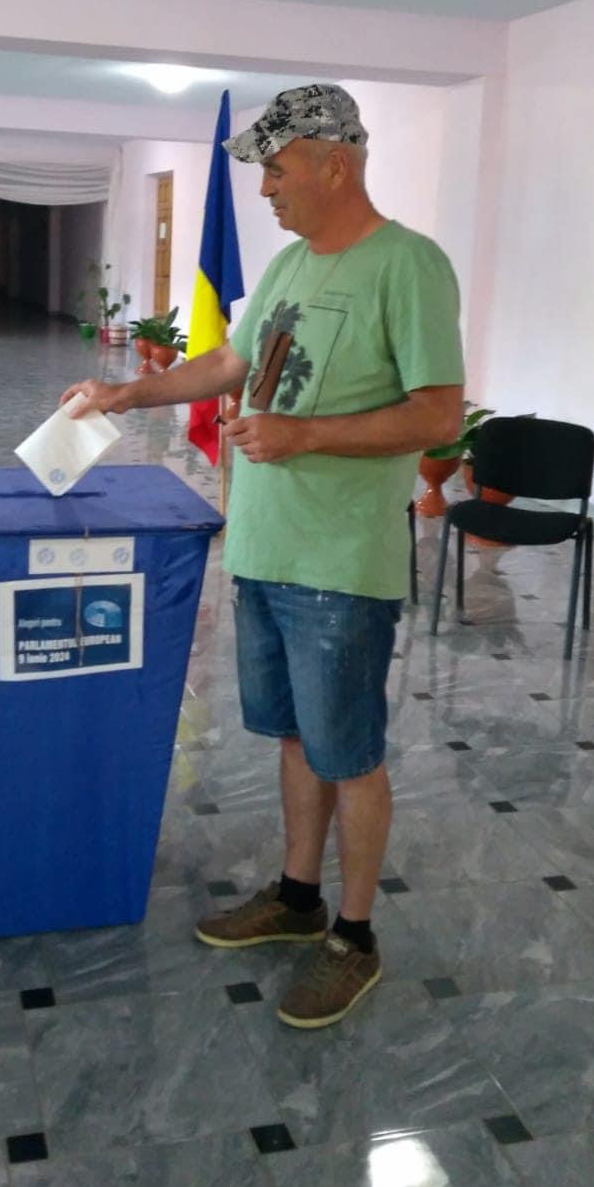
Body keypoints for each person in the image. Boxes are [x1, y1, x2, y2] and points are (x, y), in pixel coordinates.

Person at [61, 84, 464, 1030]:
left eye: (277, 170)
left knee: (348, 753)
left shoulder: (407, 265)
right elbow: (229, 365)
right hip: (266, 547)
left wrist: (305, 434)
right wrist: (127, 393)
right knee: (294, 738)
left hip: (341, 562)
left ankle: (354, 937)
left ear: (336, 164)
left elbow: (438, 414)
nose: (268, 189)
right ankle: (296, 895)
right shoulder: (287, 265)